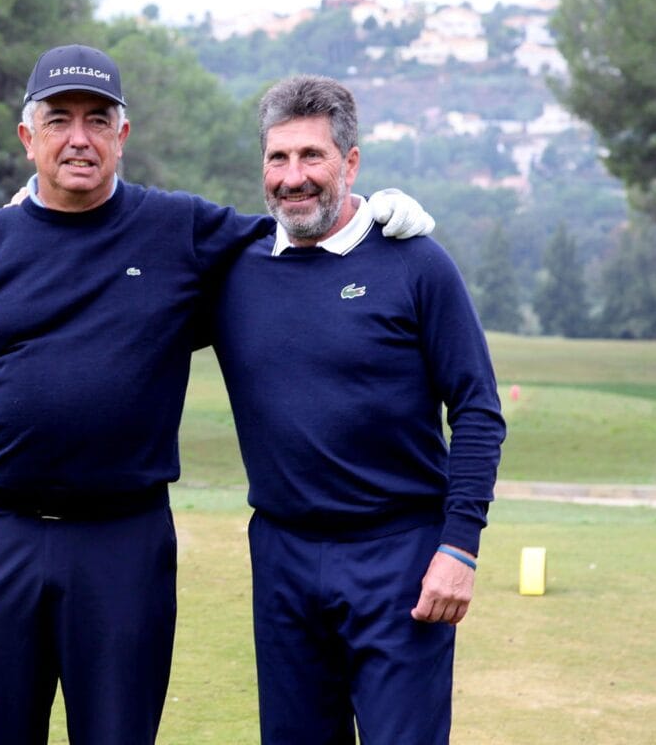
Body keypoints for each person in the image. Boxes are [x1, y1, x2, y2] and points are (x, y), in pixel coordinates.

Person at [0, 45, 433, 745]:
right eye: (58, 120)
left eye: (98, 120)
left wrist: (372, 215)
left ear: (122, 137)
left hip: (123, 542)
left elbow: (297, 226)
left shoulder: (176, 229)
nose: (79, 138)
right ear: (27, 137)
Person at [210, 74, 506, 744]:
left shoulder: (417, 264)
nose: (294, 177)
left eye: (312, 156)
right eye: (278, 158)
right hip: (282, 557)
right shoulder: (234, 270)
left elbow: (479, 409)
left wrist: (460, 546)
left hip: (398, 557)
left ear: (350, 163)